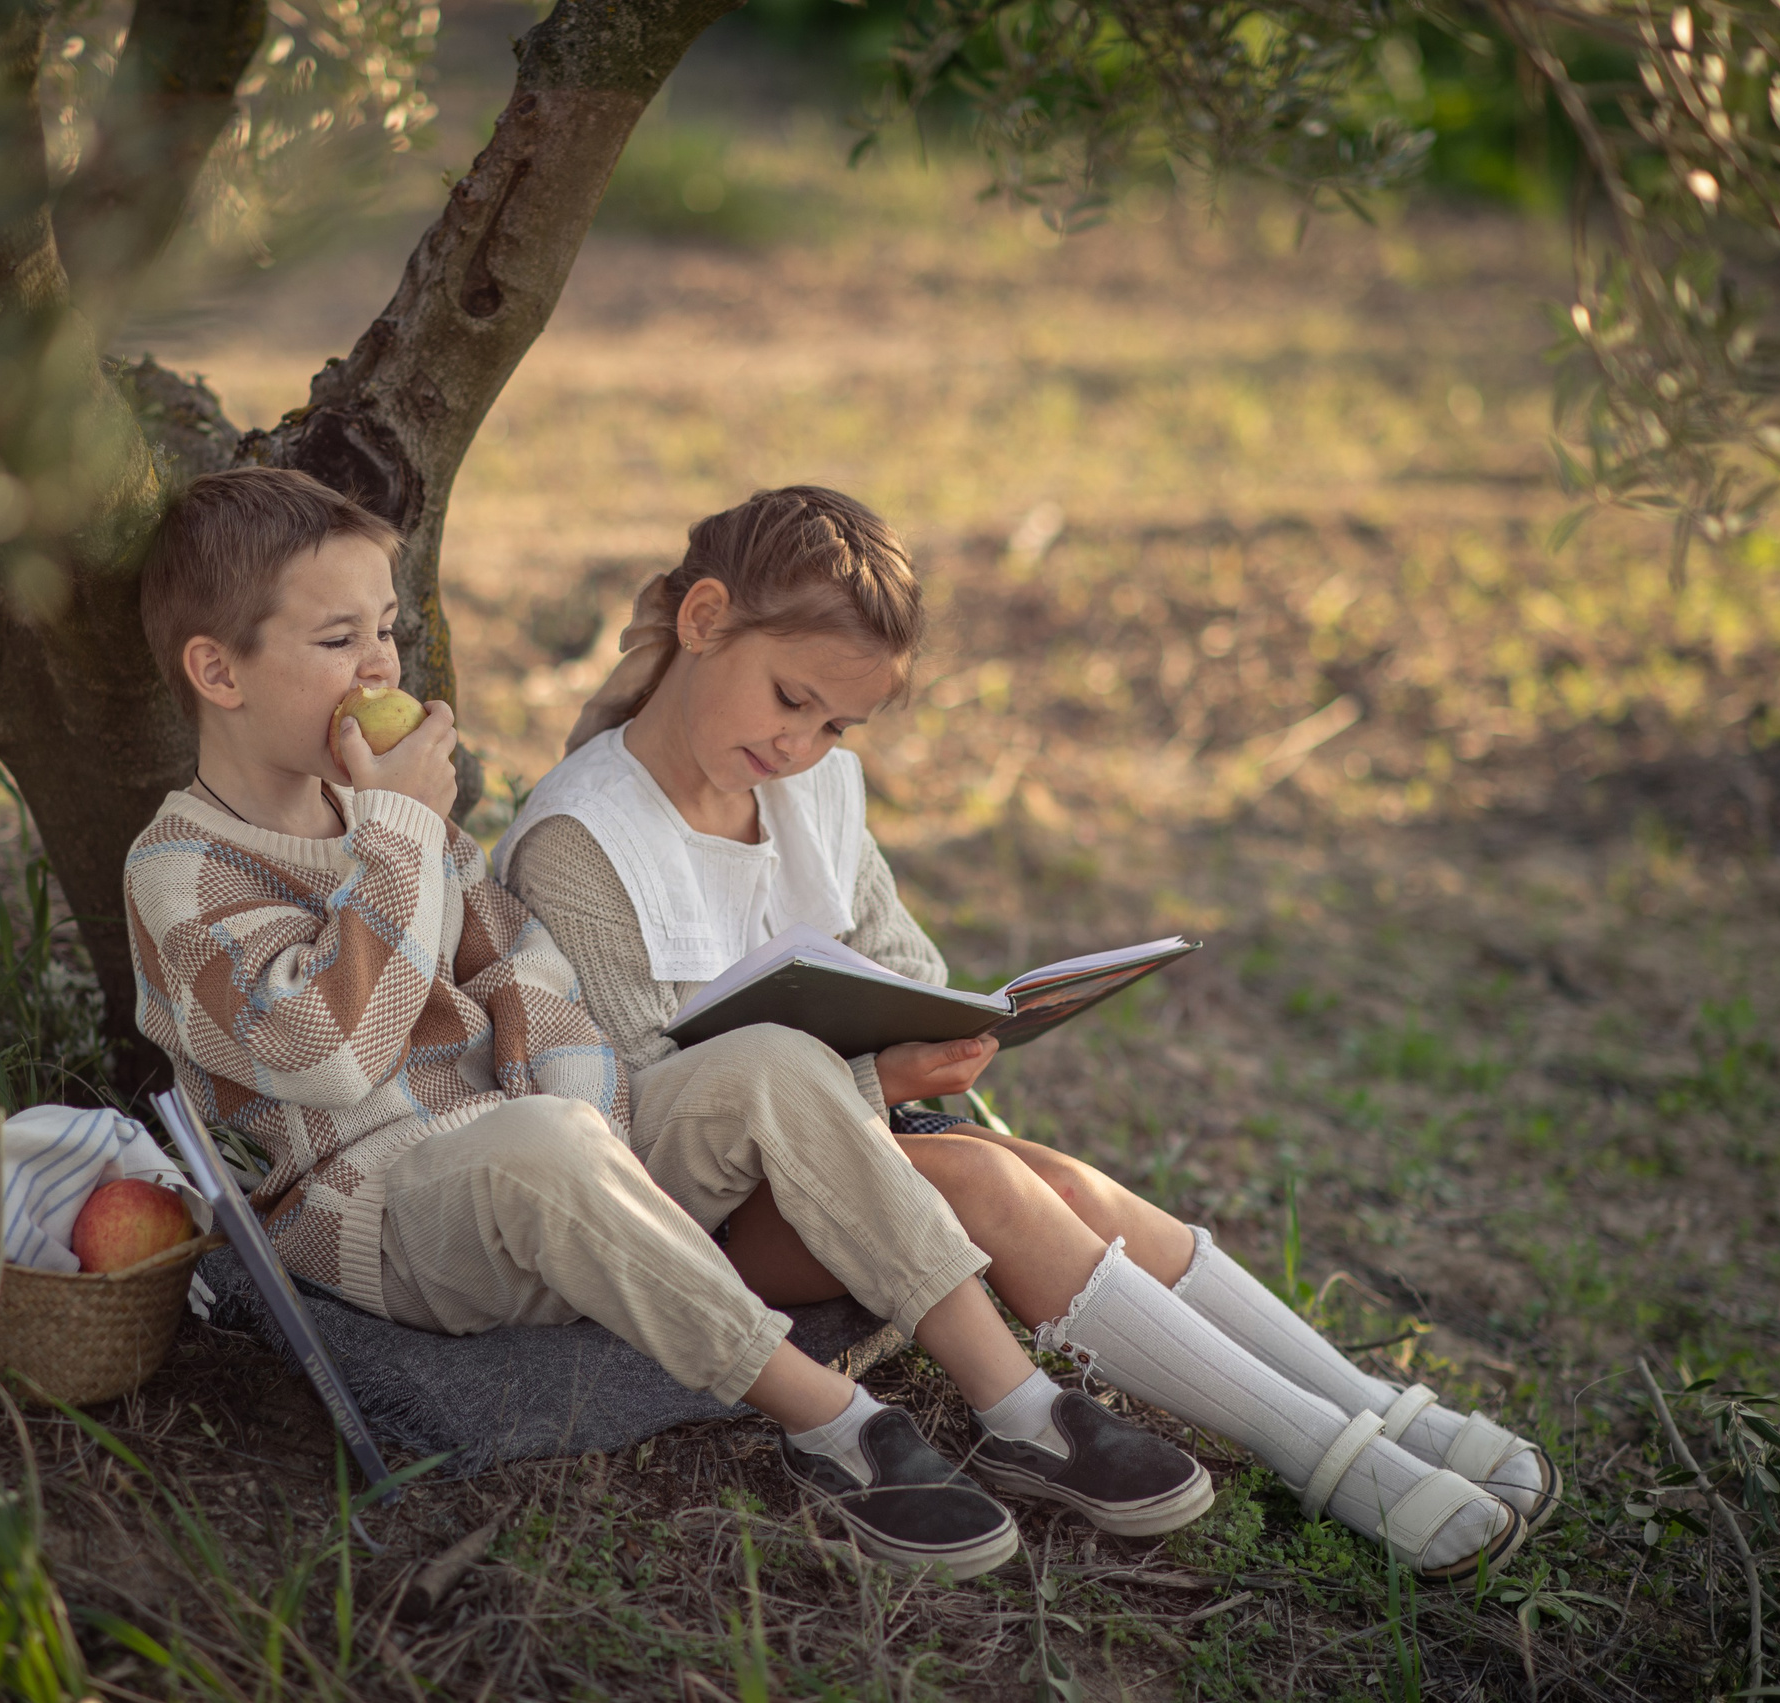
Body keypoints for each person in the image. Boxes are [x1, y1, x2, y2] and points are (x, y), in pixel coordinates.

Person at [121, 467, 1208, 1579]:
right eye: (338, 638)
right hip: (389, 1210)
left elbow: (532, 979)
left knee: (768, 1062)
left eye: (388, 632)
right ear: (219, 669)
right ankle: (838, 1423)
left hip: (556, 1161)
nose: (379, 669)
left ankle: (1017, 1401)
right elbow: (331, 1048)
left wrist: (600, 1137)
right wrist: (400, 830)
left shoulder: (397, 823)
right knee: (537, 1144)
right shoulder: (183, 873)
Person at [496, 485, 1554, 1580]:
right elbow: (628, 1121)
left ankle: (1372, 1404)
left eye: (833, 725)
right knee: (982, 1185)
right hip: (691, 1212)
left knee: (1055, 1178)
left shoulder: (809, 796)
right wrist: (869, 1073)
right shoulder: (582, 839)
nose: (800, 743)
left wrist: (928, 1034)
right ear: (703, 618)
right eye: (790, 699)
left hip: (833, 1143)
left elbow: (902, 961)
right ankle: (1328, 1456)